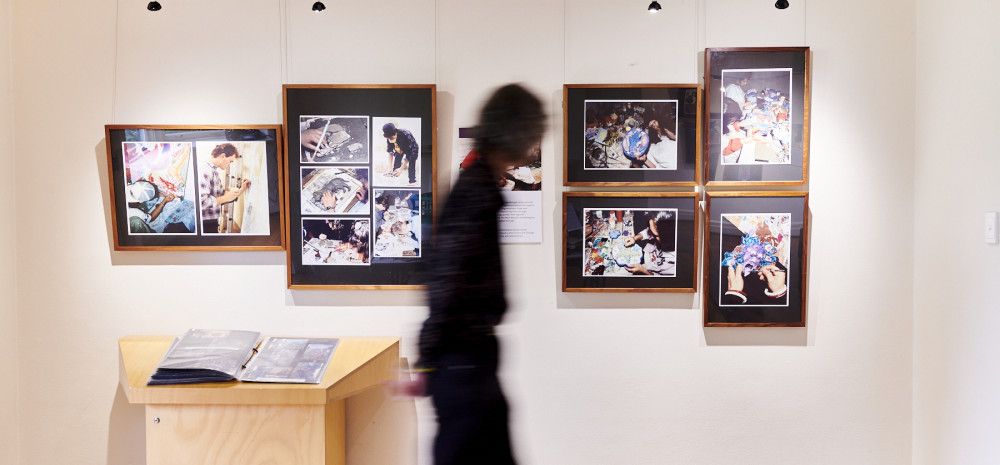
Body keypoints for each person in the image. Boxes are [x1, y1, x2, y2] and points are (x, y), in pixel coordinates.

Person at [394, 84, 545, 465]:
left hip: (469, 358)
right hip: (463, 361)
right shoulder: (475, 191)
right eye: (534, 132)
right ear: (518, 131)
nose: (535, 141)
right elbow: (444, 279)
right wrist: (429, 360)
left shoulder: (480, 186)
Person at [199, 143, 250, 233]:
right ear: (223, 156)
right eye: (230, 161)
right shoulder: (205, 171)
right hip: (205, 224)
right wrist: (226, 197)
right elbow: (202, 202)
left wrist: (242, 189)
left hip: (211, 222)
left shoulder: (213, 171)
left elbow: (221, 195)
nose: (229, 165)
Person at [622, 211, 677, 276]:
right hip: (649, 258)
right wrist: (634, 238)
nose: (652, 234)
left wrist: (643, 270)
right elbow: (648, 231)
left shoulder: (673, 263)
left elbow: (659, 280)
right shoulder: (657, 230)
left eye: (656, 235)